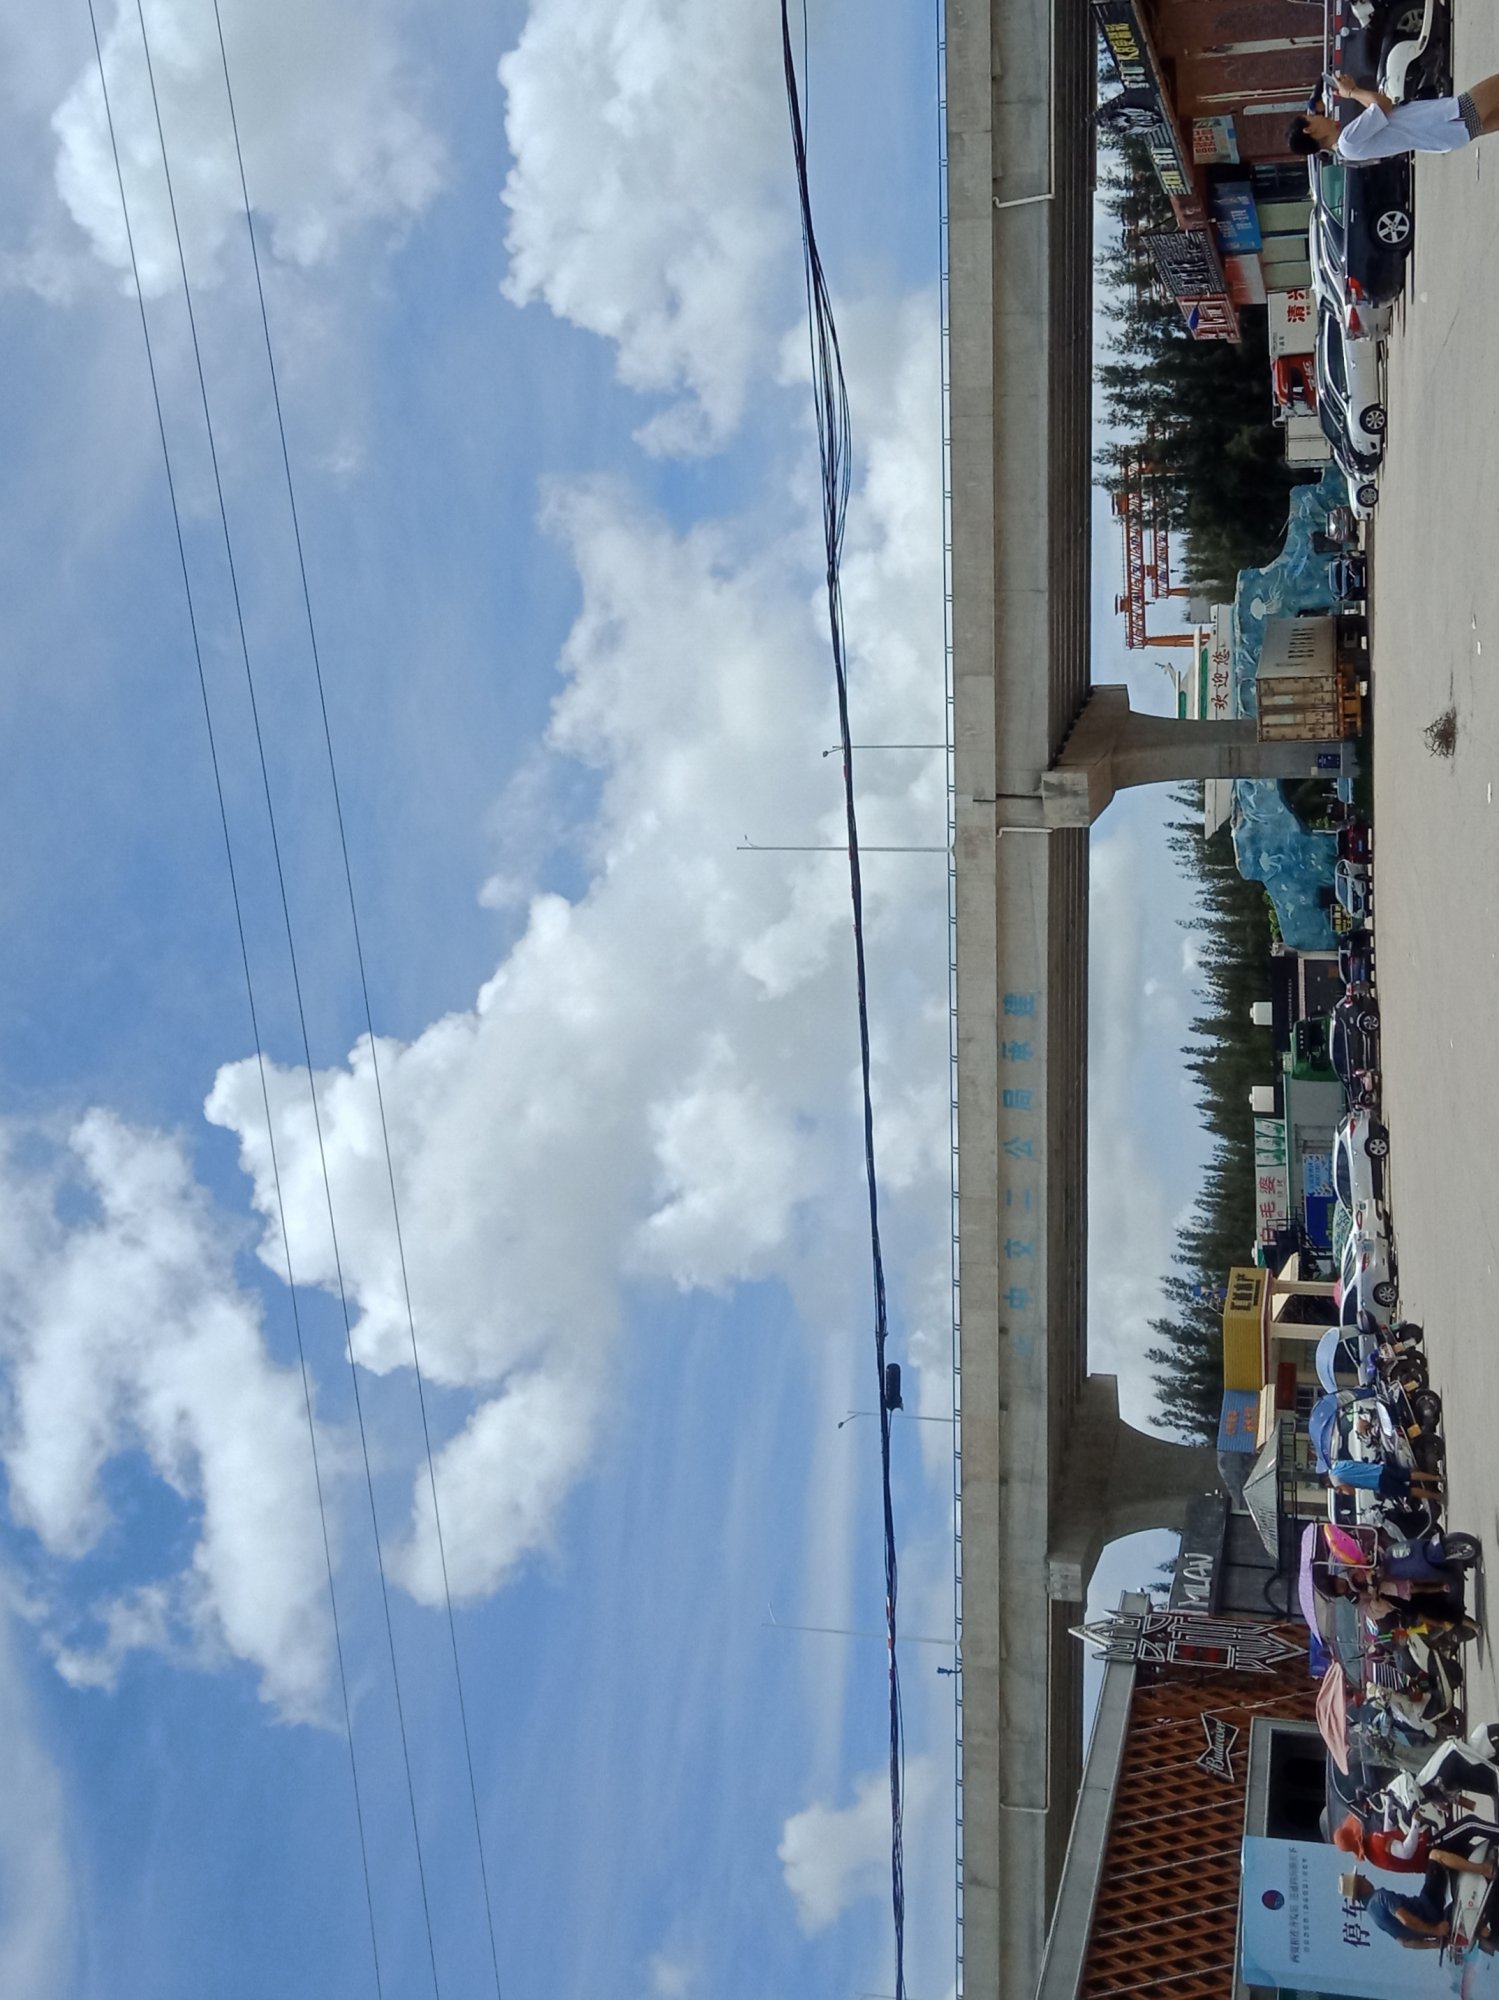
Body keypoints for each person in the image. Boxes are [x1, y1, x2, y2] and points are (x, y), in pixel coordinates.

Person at [1288, 72, 1499, 160]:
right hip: (1450, 118)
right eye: (1312, 117)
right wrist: (1351, 92)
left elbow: (1379, 111)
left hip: (1448, 129)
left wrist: (1352, 92)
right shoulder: (1347, 141)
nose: (1319, 115)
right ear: (1309, 129)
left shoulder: (1347, 147)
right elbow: (1384, 105)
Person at [1342, 1835, 1497, 1950]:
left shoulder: (1374, 1916)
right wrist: (1435, 1929)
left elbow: (1405, 1942)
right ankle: (1483, 1869)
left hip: (1433, 1919)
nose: (1364, 1877)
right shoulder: (1380, 1897)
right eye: (1361, 1878)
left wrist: (1434, 1943)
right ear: (1360, 1884)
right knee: (1435, 1855)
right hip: (1429, 1906)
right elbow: (1405, 1919)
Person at [1334, 1809, 1430, 1873]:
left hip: (1426, 1861)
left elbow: (1387, 1835)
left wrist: (1388, 1808)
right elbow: (1406, 1852)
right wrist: (1415, 1823)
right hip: (1427, 1848)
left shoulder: (1372, 1852)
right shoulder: (1375, 1841)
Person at [1329, 1456, 1443, 1504]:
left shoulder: (1336, 1480)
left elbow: (1351, 1492)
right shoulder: (1339, 1464)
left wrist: (1340, 1491)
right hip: (1379, 1469)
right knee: (1409, 1475)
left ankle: (1437, 1496)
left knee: (1409, 1491)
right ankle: (1437, 1478)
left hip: (1378, 1482)